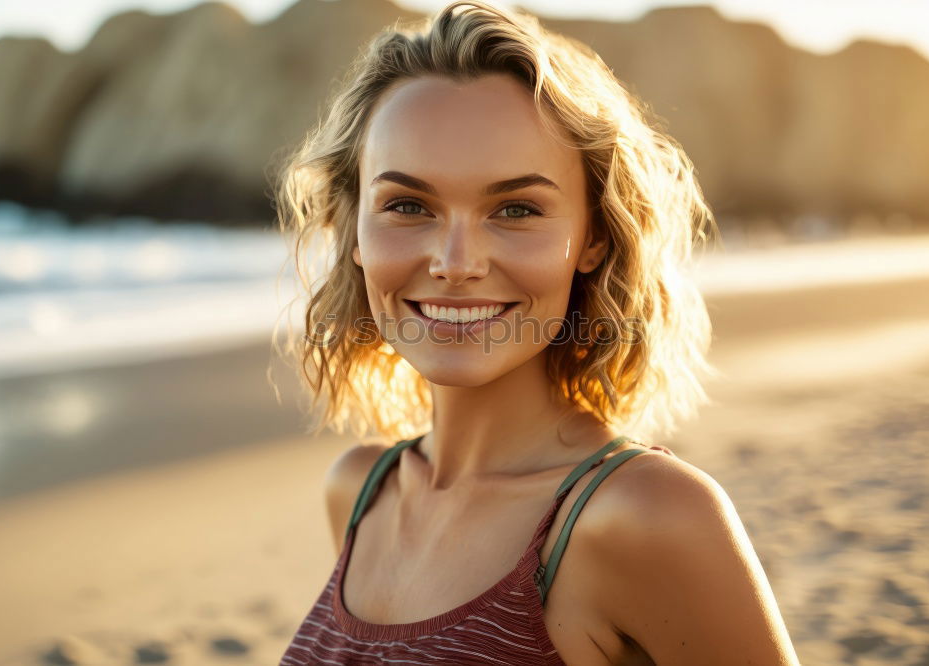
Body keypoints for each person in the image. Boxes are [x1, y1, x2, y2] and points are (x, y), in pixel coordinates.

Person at [272, 2, 800, 664]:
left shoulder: (646, 515)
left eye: (516, 209)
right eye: (408, 205)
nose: (455, 262)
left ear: (595, 238)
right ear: (352, 231)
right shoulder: (358, 491)